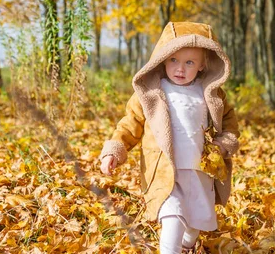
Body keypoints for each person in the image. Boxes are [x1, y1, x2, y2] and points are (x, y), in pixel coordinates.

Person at [100, 21, 240, 253]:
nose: (180, 69)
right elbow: (130, 124)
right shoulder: (152, 93)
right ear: (163, 58)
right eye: (173, 60)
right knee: (172, 219)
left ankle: (188, 244)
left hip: (199, 172)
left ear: (203, 65)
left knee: (194, 223)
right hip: (165, 172)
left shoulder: (210, 93)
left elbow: (229, 124)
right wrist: (114, 150)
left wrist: (224, 144)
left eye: (189, 62)